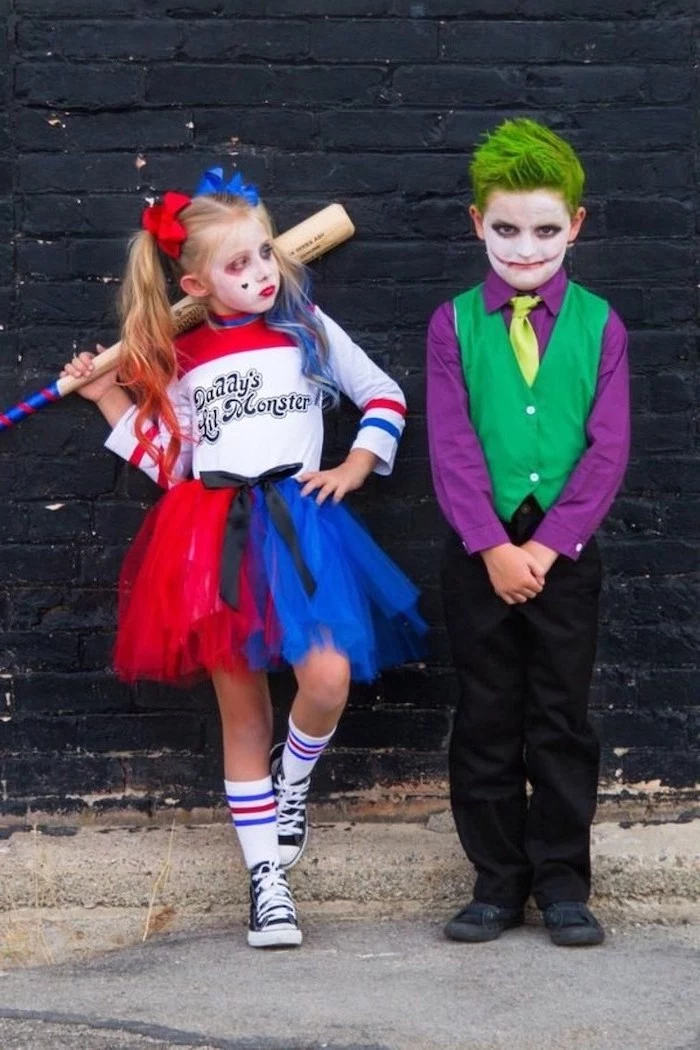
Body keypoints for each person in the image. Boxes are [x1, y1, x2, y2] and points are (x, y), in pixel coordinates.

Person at [62, 168, 426, 949]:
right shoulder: (182, 352)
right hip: (213, 533)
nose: (261, 273)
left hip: (304, 523)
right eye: (238, 266)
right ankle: (267, 884)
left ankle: (292, 784)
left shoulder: (306, 324)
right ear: (195, 282)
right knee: (243, 712)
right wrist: (107, 399)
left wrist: (356, 465)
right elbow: (174, 463)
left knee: (325, 679)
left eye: (265, 254)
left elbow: (385, 394)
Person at [426, 119, 630, 947]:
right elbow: (451, 443)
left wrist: (544, 549)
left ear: (575, 226)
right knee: (485, 714)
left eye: (546, 229)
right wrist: (494, 547)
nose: (525, 246)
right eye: (505, 228)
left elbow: (608, 448)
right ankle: (496, 882)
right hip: (480, 552)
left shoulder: (601, 324)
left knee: (561, 717)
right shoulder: (453, 325)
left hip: (565, 557)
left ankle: (562, 882)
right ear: (477, 223)